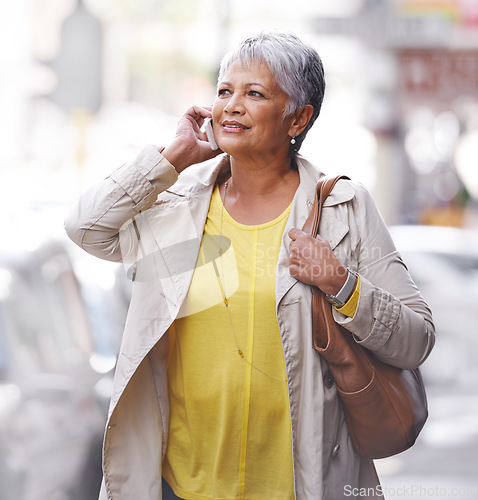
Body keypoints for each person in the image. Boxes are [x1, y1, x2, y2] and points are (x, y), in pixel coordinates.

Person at [65, 32, 435, 500]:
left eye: (254, 94)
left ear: (298, 117)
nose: (231, 106)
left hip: (302, 484)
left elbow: (416, 339)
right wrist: (172, 158)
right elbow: (85, 227)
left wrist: (341, 284)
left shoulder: (344, 208)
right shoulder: (177, 204)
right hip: (180, 486)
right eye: (224, 91)